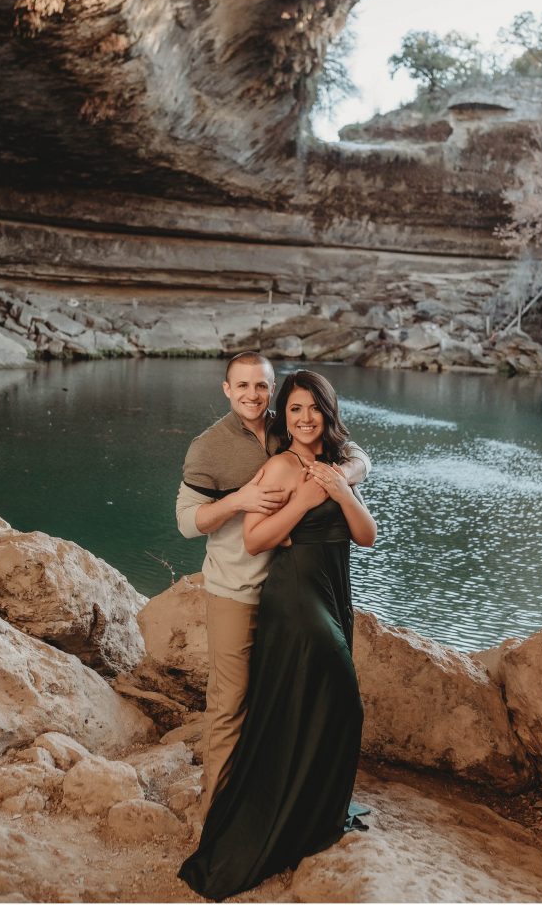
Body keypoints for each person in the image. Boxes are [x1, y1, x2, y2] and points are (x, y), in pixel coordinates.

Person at [179, 370, 377, 901]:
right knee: (342, 699)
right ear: (283, 418)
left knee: (316, 704)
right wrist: (305, 502)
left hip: (335, 592)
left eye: (314, 408)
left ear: (328, 412)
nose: (305, 417)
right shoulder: (278, 466)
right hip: (293, 596)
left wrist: (340, 486)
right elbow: (255, 537)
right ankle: (244, 814)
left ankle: (317, 811)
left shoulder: (340, 463)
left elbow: (367, 535)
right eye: (295, 410)